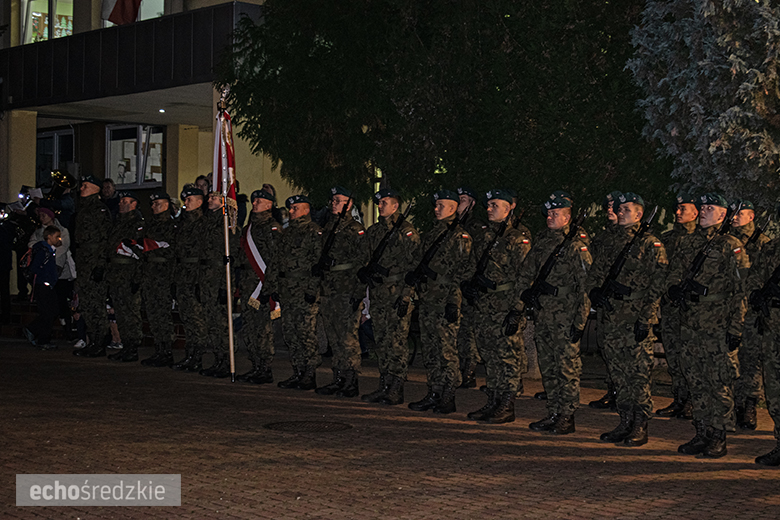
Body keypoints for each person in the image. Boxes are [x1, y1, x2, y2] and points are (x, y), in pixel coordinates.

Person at [666, 193, 750, 458]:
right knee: (696, 380)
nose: (703, 211)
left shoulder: (730, 245)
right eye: (702, 207)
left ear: (723, 215)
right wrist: (674, 289)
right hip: (690, 323)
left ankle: (719, 436)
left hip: (717, 323)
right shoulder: (689, 242)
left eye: (710, 208)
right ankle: (701, 432)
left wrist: (735, 328)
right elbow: (674, 273)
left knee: (718, 382)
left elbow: (741, 291)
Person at [586, 192, 668, 446]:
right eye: (619, 209)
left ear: (639, 214)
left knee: (638, 373)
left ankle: (640, 424)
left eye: (626, 209)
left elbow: (658, 285)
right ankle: (624, 421)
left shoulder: (650, 244)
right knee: (618, 372)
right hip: (611, 316)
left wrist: (647, 319)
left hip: (635, 317)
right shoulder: (611, 242)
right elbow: (595, 272)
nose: (620, 212)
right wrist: (595, 292)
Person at [519, 190, 592, 435]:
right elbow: (527, 272)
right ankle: (553, 411)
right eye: (548, 213)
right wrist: (525, 295)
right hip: (543, 314)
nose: (550, 217)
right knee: (548, 367)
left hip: (565, 316)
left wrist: (580, 321)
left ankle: (567, 416)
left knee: (567, 368)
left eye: (556, 213)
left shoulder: (575, 246)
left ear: (568, 216)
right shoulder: (542, 243)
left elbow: (586, 287)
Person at [463, 189, 531, 423]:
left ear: (509, 207)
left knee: (507, 357)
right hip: (484, 305)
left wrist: (517, 310)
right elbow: (473, 266)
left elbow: (525, 277)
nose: (489, 208)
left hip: (505, 305)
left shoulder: (517, 238)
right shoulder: (484, 236)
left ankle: (507, 405)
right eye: (488, 204)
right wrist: (469, 286)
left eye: (495, 204)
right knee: (490, 355)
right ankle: (493, 400)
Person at [406, 189, 472, 414]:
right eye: (436, 205)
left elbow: (462, 273)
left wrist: (454, 302)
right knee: (431, 350)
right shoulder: (431, 234)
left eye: (441, 205)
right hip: (428, 300)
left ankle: (448, 395)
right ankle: (434, 391)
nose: (436, 209)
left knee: (446, 351)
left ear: (453, 208)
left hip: (445, 301)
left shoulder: (460, 236)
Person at [358, 188, 420, 405]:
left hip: (396, 294)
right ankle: (384, 384)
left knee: (397, 342)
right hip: (378, 294)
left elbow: (413, 270)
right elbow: (366, 258)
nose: (381, 205)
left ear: (396, 206)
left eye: (386, 202)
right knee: (382, 342)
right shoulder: (374, 231)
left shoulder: (407, 232)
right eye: (379, 202)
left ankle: (396, 387)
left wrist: (406, 297)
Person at [312, 186, 369, 398]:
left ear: (349, 204)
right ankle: (338, 378)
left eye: (339, 200)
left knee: (347, 338)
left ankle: (351, 380)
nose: (334, 203)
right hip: (329, 290)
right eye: (333, 200)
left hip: (346, 289)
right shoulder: (328, 228)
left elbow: (362, 264)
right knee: (334, 338)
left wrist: (358, 293)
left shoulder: (356, 230)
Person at [263, 195, 323, 390]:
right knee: (291, 333)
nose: (291, 211)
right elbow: (276, 263)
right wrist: (273, 287)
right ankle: (297, 371)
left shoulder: (314, 232)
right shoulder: (286, 233)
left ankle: (310, 373)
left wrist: (312, 289)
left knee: (306, 332)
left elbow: (318, 265)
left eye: (296, 208)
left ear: (306, 210)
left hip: (304, 289)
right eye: (290, 208)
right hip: (287, 289)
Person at [656, 193, 699, 419]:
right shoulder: (668, 238)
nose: (678, 212)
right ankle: (679, 398)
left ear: (696, 212)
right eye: (677, 208)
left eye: (684, 208)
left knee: (690, 356)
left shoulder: (702, 240)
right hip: (670, 306)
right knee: (673, 354)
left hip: (691, 309)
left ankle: (693, 399)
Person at [730, 200, 771, 431]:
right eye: (733, 212)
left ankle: (749, 405)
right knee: (731, 358)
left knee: (751, 359)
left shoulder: (764, 244)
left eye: (740, 213)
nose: (735, 217)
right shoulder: (727, 241)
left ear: (751, 216)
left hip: (752, 310)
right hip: (732, 309)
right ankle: (733, 403)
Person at [236, 189, 281, 384]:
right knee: (249, 327)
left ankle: (264, 368)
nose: (255, 204)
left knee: (263, 328)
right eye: (254, 201)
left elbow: (274, 262)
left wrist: (268, 288)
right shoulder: (248, 228)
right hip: (248, 284)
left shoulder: (272, 228)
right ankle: (255, 365)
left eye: (260, 201)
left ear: (269, 205)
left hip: (262, 285)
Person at [746, 214, 780, 466]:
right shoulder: (772, 247)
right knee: (774, 386)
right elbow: (756, 274)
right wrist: (757, 292)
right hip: (773, 321)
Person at [198, 191, 240, 378]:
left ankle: (226, 360)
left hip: (220, 277)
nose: (209, 200)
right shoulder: (206, 222)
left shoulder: (227, 223)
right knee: (211, 321)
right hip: (207, 277)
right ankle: (218, 358)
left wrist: (226, 285)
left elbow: (231, 256)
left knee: (222, 322)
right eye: (209, 197)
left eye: (214, 197)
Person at [587, 190, 622, 409]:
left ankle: (622, 392)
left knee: (621, 351)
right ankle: (612, 389)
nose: (609, 209)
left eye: (614, 206)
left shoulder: (632, 238)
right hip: (604, 302)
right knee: (605, 347)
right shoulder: (603, 237)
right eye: (607, 206)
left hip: (623, 305)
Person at [170, 186, 210, 372]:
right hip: (182, 276)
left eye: (189, 200)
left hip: (194, 276)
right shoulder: (183, 224)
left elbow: (205, 257)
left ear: (200, 202)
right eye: (184, 200)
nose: (185, 203)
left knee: (197, 319)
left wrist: (199, 282)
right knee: (186, 317)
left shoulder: (203, 224)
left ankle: (198, 356)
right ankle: (189, 355)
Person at [73, 175, 113, 358]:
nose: (81, 189)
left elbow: (105, 240)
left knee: (96, 303)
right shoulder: (83, 208)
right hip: (83, 261)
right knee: (87, 303)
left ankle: (100, 341)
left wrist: (101, 265)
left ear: (95, 189)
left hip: (94, 261)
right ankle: (92, 340)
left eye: (85, 186)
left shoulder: (99, 210)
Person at [105, 192, 145, 363]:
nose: (121, 204)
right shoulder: (117, 223)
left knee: (131, 312)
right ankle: (125, 344)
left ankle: (133, 347)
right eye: (121, 201)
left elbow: (141, 252)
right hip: (116, 273)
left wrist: (137, 277)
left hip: (129, 273)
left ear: (134, 204)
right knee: (120, 311)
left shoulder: (138, 224)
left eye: (126, 202)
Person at [139, 192, 178, 367]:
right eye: (152, 203)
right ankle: (158, 349)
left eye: (158, 203)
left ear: (167, 205)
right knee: (153, 313)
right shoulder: (149, 225)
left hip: (163, 274)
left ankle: (167, 350)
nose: (154, 206)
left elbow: (173, 251)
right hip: (150, 274)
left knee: (163, 313)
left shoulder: (172, 226)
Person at [28, 207, 76, 328]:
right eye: (40, 215)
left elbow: (63, 248)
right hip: (45, 277)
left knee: (60, 302)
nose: (42, 218)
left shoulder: (62, 231)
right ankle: (38, 332)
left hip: (59, 270)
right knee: (49, 307)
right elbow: (32, 246)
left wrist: (52, 254)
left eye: (44, 215)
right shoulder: (38, 233)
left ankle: (66, 328)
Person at [456, 186, 484, 388]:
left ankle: (470, 370)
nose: (459, 203)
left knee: (469, 329)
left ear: (472, 204)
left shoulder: (476, 227)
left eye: (464, 199)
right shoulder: (453, 226)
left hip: (470, 285)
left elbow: (479, 258)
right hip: (454, 284)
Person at [22, 225, 62, 350]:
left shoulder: (49, 250)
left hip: (47, 285)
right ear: (49, 237)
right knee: (48, 313)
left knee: (52, 311)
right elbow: (35, 268)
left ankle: (34, 331)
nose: (59, 239)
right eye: (56, 237)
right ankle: (42, 338)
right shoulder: (43, 251)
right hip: (43, 286)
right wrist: (46, 277)